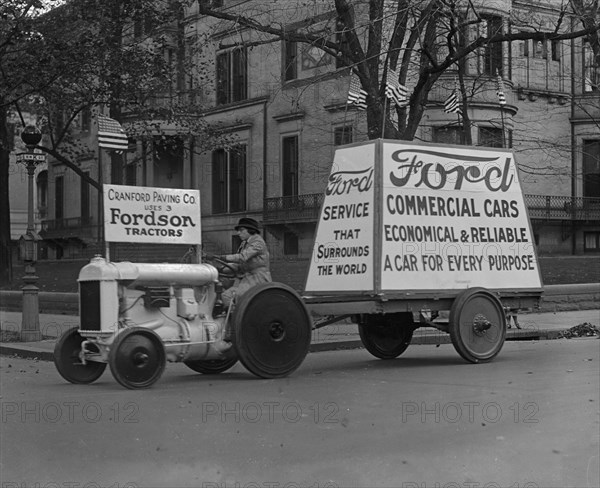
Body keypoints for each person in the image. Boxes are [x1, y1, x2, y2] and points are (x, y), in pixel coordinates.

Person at [217, 217, 272, 307]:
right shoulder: (244, 243)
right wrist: (220, 269)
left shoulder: (258, 242)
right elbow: (239, 265)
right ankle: (230, 316)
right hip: (246, 278)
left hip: (258, 279)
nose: (238, 233)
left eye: (241, 230)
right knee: (224, 294)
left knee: (235, 296)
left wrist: (222, 257)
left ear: (251, 230)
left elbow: (242, 257)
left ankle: (238, 318)